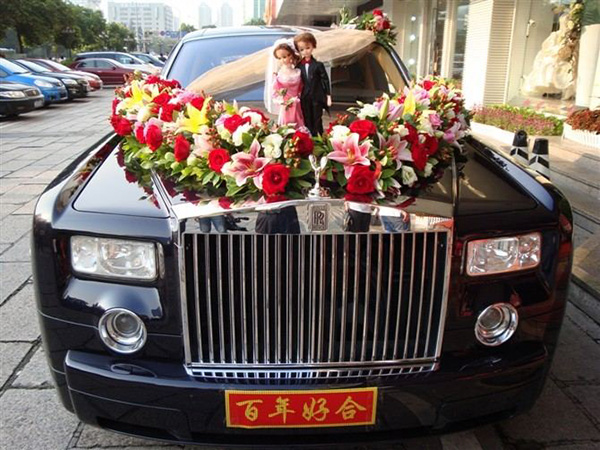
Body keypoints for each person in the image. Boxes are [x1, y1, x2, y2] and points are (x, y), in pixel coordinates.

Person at [293, 32, 332, 136]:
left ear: (313, 46)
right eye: (302, 49)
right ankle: (309, 136)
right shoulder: (298, 66)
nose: (305, 51)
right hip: (304, 96)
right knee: (306, 117)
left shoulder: (318, 65)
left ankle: (319, 136)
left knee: (317, 117)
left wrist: (328, 96)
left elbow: (325, 80)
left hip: (317, 96)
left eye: (308, 48)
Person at [271, 42, 304, 127]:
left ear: (291, 55)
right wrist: (281, 101)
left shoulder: (298, 72)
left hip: (297, 104)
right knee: (287, 126)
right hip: (286, 106)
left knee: (298, 124)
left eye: (285, 56)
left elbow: (301, 88)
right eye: (279, 58)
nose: (282, 60)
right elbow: (275, 93)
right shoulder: (279, 75)